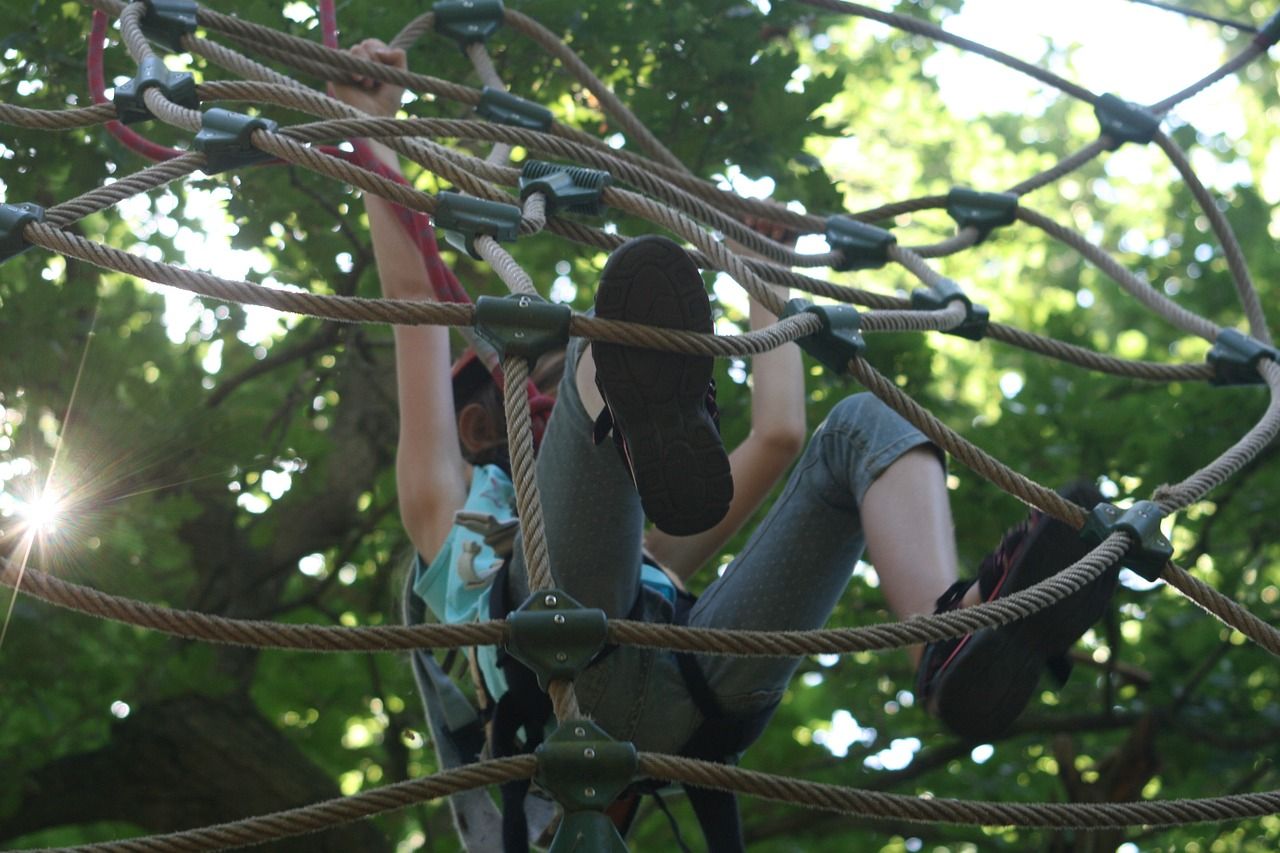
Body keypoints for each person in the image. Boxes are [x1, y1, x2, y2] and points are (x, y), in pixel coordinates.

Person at [331, 39, 1118, 845]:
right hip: (563, 673)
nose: (543, 376)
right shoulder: (446, 509)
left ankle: (950, 633)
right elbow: (412, 296)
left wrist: (753, 276)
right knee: (608, 339)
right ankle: (636, 376)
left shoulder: (657, 547)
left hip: (685, 694)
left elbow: (781, 433)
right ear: (479, 424)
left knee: (865, 426)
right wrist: (370, 127)